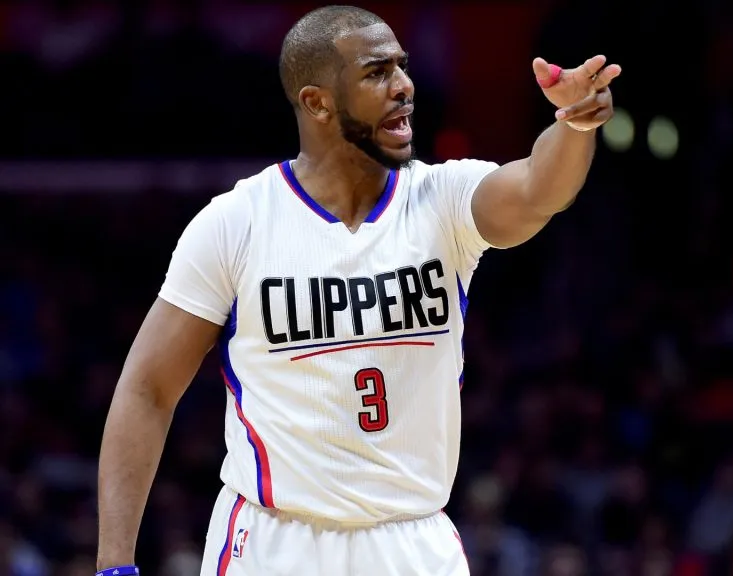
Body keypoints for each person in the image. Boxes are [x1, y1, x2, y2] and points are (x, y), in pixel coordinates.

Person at [95, 5, 620, 576]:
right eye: (377, 73)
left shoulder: (442, 199)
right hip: (277, 541)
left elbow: (539, 189)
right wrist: (114, 564)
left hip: (413, 540)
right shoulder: (236, 223)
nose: (404, 87)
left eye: (402, 67)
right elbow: (147, 388)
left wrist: (573, 123)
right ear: (317, 101)